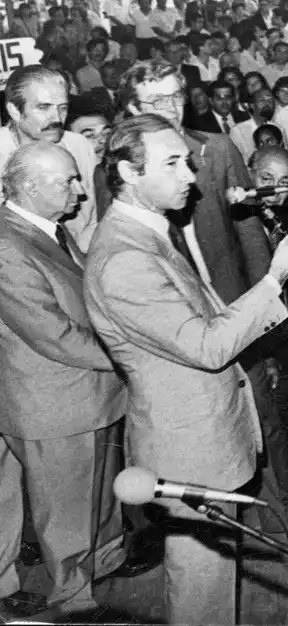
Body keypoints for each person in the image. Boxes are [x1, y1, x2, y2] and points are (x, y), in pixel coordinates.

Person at [82, 114, 288, 625]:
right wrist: (275, 278)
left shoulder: (149, 232)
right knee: (201, 590)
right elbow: (206, 346)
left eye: (187, 160)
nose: (190, 175)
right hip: (188, 446)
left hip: (204, 435)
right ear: (129, 170)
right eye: (172, 163)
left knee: (213, 579)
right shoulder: (124, 258)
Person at [0, 144, 133, 619]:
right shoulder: (6, 245)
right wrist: (128, 356)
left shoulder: (44, 229)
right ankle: (74, 603)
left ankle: (107, 561)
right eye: (68, 182)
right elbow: (53, 334)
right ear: (29, 188)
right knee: (69, 514)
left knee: (96, 495)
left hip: (86, 394)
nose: (80, 190)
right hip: (53, 400)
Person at [0, 66, 100, 252]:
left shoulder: (79, 146)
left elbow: (93, 214)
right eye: (43, 107)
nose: (57, 118)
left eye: (63, 108)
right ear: (14, 111)